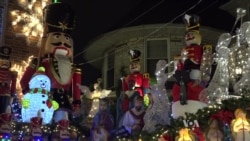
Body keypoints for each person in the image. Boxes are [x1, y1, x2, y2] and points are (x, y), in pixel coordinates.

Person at [20, 2, 82, 122]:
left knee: (61, 126)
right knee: (41, 124)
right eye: (57, 37)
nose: (63, 42)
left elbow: (76, 88)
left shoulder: (75, 67)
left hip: (63, 102)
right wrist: (31, 96)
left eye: (67, 39)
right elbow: (24, 81)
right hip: (42, 100)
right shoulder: (39, 62)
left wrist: (76, 104)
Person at [117, 49, 149, 127]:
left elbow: (146, 89)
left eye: (135, 63)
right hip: (127, 100)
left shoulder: (143, 76)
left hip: (139, 97)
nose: (133, 66)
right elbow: (124, 91)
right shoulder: (126, 77)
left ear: (139, 65)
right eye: (131, 64)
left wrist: (146, 103)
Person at [0, 46, 17, 114]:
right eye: (2, 60)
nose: (4, 62)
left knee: (4, 112)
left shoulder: (12, 73)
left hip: (6, 94)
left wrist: (12, 96)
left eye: (6, 61)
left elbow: (13, 85)